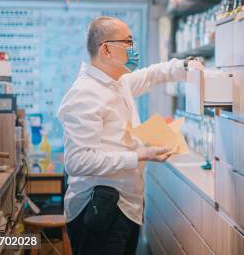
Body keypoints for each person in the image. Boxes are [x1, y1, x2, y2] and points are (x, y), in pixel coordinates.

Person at [58, 16, 203, 254]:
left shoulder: (118, 82)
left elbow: (152, 75)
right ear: (105, 49)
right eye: (127, 42)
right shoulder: (85, 94)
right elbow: (77, 162)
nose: (133, 49)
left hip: (126, 206)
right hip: (99, 210)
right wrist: (138, 155)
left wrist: (184, 66)